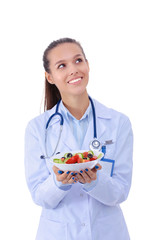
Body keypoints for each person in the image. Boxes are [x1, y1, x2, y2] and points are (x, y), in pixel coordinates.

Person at [24, 38, 133, 240]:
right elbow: (39, 195)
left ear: (87, 65)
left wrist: (95, 181)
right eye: (62, 65)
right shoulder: (37, 128)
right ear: (49, 77)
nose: (73, 70)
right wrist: (58, 183)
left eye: (78, 60)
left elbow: (121, 191)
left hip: (108, 233)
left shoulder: (118, 123)